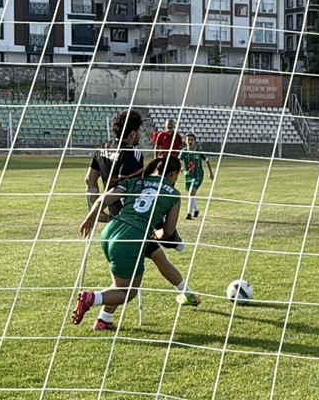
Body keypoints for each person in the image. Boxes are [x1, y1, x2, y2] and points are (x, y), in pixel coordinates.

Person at [71, 155, 200, 332]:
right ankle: (91, 298)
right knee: (128, 292)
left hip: (110, 231)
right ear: (174, 174)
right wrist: (157, 234)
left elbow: (102, 200)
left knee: (120, 284)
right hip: (132, 238)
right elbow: (168, 231)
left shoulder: (135, 180)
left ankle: (104, 320)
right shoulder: (173, 195)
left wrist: (89, 219)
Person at [87, 109, 145, 218]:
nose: (140, 134)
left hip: (113, 214)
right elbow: (126, 187)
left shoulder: (102, 149)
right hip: (130, 216)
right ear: (133, 133)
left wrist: (95, 208)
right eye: (139, 130)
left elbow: (90, 179)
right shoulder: (132, 153)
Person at [178, 133, 215, 220]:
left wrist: (211, 173)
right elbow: (179, 161)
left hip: (198, 175)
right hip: (188, 176)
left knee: (191, 192)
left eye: (192, 139)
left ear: (195, 141)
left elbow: (207, 160)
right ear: (185, 141)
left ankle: (189, 214)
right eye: (188, 139)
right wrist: (181, 167)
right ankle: (196, 210)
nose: (190, 141)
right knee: (191, 193)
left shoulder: (198, 150)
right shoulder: (183, 152)